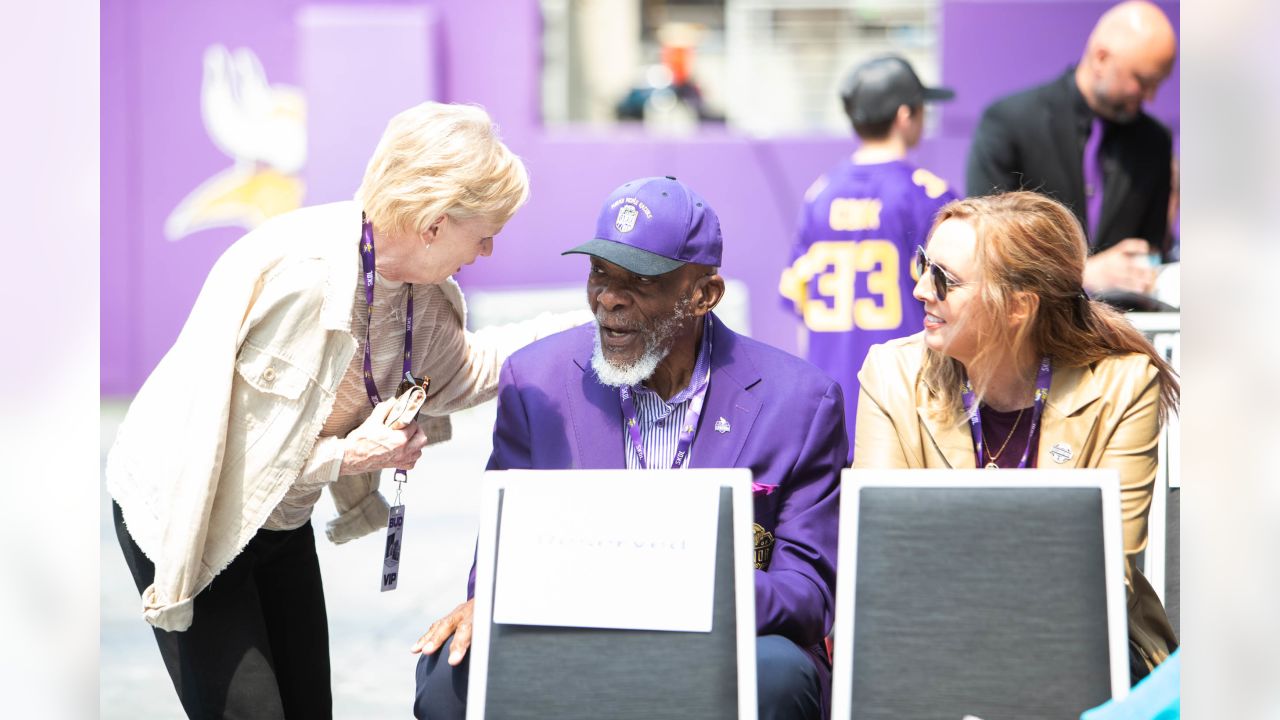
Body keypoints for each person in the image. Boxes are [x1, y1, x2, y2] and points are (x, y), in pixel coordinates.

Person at [106, 102, 583, 719]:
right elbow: (225, 463)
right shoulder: (301, 280)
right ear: (435, 223)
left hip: (278, 519)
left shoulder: (422, 295)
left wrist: (601, 319)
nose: (489, 250)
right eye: (485, 231)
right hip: (190, 510)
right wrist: (350, 455)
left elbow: (473, 369)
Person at [411, 176, 847, 720]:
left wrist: (673, 588)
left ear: (703, 295)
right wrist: (492, 597)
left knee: (778, 672)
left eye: (638, 280)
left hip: (720, 636)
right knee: (447, 674)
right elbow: (501, 556)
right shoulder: (536, 382)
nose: (609, 299)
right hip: (576, 635)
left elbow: (808, 595)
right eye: (599, 273)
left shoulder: (800, 403)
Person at [853, 191, 1179, 680]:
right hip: (930, 635)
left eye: (944, 278)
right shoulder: (891, 374)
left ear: (1018, 307)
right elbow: (882, 554)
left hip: (1077, 642)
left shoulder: (1124, 384)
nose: (922, 288)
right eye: (924, 264)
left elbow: (1103, 575)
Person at [780, 54, 956, 455]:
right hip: (907, 396)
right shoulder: (927, 194)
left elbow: (800, 311)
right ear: (904, 114)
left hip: (826, 401)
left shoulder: (819, 193)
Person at [966, 0, 1177, 296]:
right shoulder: (1010, 123)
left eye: (1158, 84)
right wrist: (1081, 274)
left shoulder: (1154, 141)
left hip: (1118, 329)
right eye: (1143, 81)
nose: (1150, 97)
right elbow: (986, 243)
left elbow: (1151, 246)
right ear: (1101, 58)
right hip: (1031, 326)